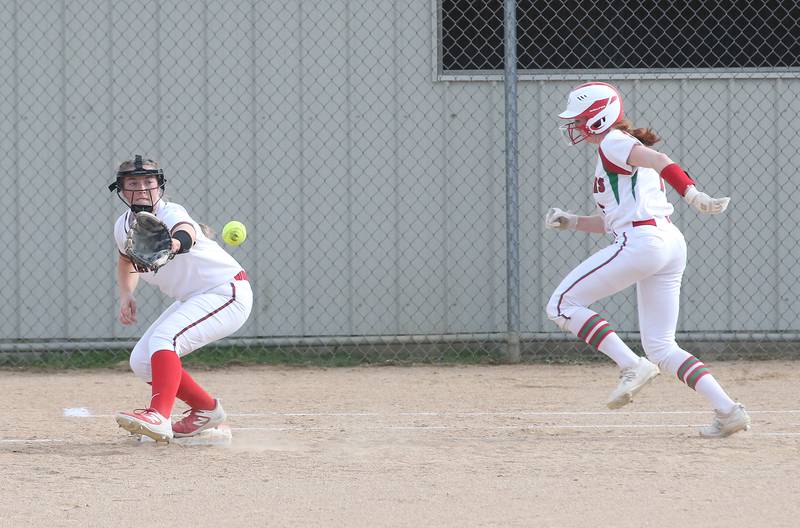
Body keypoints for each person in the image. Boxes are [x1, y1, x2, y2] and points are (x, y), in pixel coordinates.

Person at [545, 82, 750, 438]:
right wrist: (573, 221)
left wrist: (690, 192)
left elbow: (660, 160)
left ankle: (630, 365)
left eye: (579, 121)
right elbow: (614, 221)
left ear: (599, 118)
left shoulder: (613, 141)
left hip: (643, 242)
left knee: (562, 304)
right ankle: (728, 411)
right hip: (667, 242)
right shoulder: (613, 151)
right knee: (662, 346)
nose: (574, 129)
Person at [109, 155, 252, 442]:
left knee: (165, 339)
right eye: (133, 183)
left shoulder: (171, 212)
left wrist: (174, 243)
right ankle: (205, 410)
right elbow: (126, 262)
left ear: (159, 186)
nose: (142, 188)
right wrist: (127, 295)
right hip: (196, 297)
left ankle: (158, 416)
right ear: (121, 190)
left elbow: (185, 232)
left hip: (225, 291)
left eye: (149, 182)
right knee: (141, 361)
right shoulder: (123, 226)